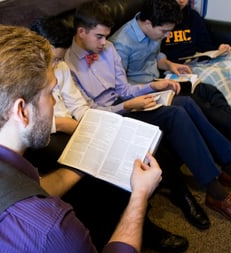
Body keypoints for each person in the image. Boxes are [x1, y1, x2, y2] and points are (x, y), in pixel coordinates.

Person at [0, 23, 163, 253]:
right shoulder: (48, 231)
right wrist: (139, 195)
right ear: (21, 111)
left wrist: (83, 165)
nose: (53, 102)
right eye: (50, 93)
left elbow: (25, 188)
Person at [65, 0, 231, 227]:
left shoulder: (108, 49)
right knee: (176, 114)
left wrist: (154, 87)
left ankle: (230, 170)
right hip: (112, 117)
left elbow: (124, 89)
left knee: (187, 105)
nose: (106, 43)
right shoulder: (68, 68)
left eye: (106, 36)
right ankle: (218, 193)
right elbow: (91, 112)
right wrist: (128, 106)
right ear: (81, 32)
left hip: (128, 103)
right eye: (100, 37)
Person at [27, 14, 190, 252]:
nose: (54, 66)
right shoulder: (24, 75)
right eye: (50, 59)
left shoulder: (60, 67)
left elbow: (79, 106)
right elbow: (30, 122)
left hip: (75, 126)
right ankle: (130, 231)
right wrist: (62, 124)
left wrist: (101, 124)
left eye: (58, 60)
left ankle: (144, 220)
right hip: (48, 137)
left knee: (135, 150)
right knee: (100, 176)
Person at [109, 0, 231, 167]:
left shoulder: (152, 25)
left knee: (210, 91)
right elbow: (122, 90)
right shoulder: (121, 44)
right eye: (164, 32)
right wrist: (155, 86)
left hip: (161, 79)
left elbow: (156, 55)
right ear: (149, 23)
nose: (167, 36)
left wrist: (169, 64)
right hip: (146, 91)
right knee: (199, 103)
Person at [161, 0, 231, 127]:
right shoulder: (159, 19)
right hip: (176, 68)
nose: (181, 0)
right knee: (217, 75)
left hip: (196, 58)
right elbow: (156, 56)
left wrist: (219, 49)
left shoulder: (193, 16)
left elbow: (205, 45)